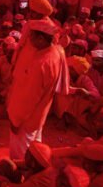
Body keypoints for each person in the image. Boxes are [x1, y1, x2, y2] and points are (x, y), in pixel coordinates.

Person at [6, 18, 65, 159]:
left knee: (21, 157)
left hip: (25, 121)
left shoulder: (41, 64)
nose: (29, 39)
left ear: (40, 38)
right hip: (38, 116)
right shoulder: (55, 52)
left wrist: (16, 120)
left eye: (31, 35)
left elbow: (29, 97)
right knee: (35, 151)